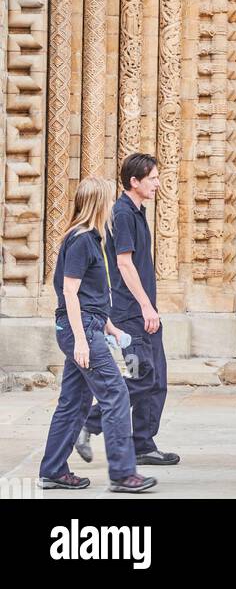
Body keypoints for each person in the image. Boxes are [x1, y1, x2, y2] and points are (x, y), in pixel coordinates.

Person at [39, 176, 157, 493]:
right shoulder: (80, 240)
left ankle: (52, 470)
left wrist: (110, 326)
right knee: (115, 394)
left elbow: (91, 295)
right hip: (81, 331)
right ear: (98, 204)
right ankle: (123, 474)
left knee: (73, 402)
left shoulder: (92, 239)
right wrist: (80, 339)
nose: (113, 207)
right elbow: (70, 292)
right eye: (108, 201)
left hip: (91, 326)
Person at [75, 153, 179, 469]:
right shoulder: (121, 214)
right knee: (142, 375)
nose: (158, 184)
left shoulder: (136, 212)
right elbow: (123, 262)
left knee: (156, 378)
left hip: (145, 312)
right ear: (134, 181)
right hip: (131, 313)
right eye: (153, 179)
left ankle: (144, 445)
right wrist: (146, 306)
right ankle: (89, 423)